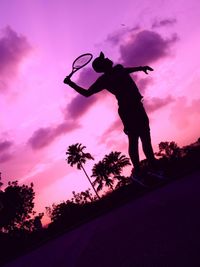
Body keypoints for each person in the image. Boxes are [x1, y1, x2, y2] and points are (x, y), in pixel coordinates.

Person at [64, 52, 157, 178]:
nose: (107, 58)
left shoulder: (119, 68)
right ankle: (138, 172)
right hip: (127, 110)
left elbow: (127, 70)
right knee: (134, 140)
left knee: (146, 137)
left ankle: (154, 167)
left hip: (138, 106)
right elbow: (87, 93)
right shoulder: (104, 80)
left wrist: (141, 68)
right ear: (102, 66)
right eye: (104, 59)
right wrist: (71, 83)